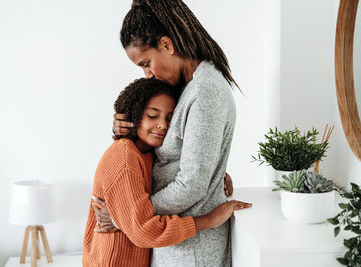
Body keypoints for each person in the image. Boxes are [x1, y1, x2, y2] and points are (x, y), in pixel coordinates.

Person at [95, 0, 242, 266]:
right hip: (177, 243)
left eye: (146, 63)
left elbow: (192, 183)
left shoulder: (205, 91)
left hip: (192, 250)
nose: (147, 74)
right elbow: (187, 159)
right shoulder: (188, 88)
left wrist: (129, 215)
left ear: (166, 44)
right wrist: (128, 132)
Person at [82, 78, 251, 267]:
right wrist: (209, 220)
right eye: (153, 116)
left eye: (169, 118)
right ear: (134, 114)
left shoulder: (147, 154)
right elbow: (143, 230)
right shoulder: (125, 156)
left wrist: (216, 174)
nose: (162, 125)